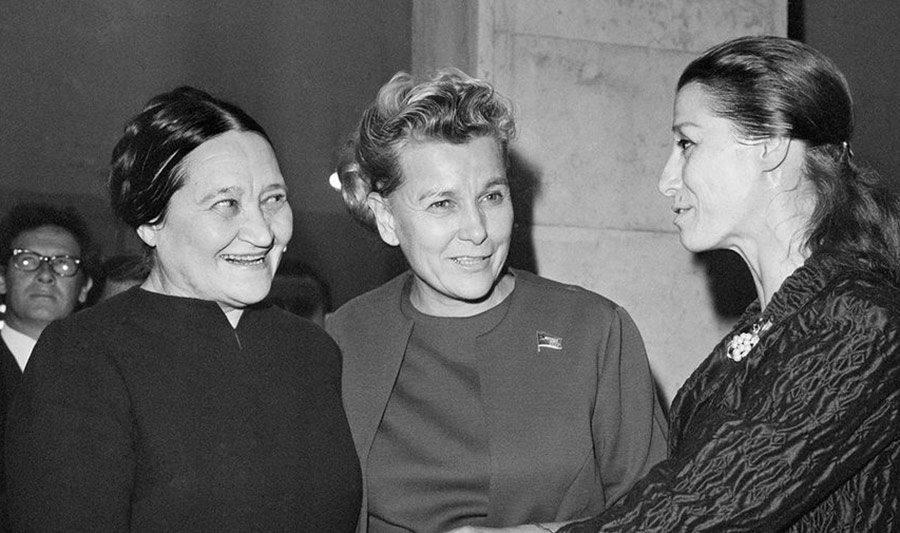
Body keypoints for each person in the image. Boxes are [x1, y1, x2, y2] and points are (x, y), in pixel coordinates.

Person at [554, 36, 900, 531]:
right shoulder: (768, 328)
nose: (666, 180)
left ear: (771, 145)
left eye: (687, 144)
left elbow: (703, 504)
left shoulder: (862, 322)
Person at [5, 86, 361, 531]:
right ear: (150, 222)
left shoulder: (312, 352)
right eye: (226, 203)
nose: (263, 233)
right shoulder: (84, 356)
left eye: (273, 199)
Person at [327, 69, 667, 533]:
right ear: (386, 218)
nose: (477, 230)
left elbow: (662, 514)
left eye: (491, 196)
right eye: (442, 203)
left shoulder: (594, 330)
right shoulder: (345, 337)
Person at [0, 202, 94, 531]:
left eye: (64, 263)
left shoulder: (104, 381)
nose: (45, 274)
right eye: (27, 260)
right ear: (1, 279)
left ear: (84, 288)